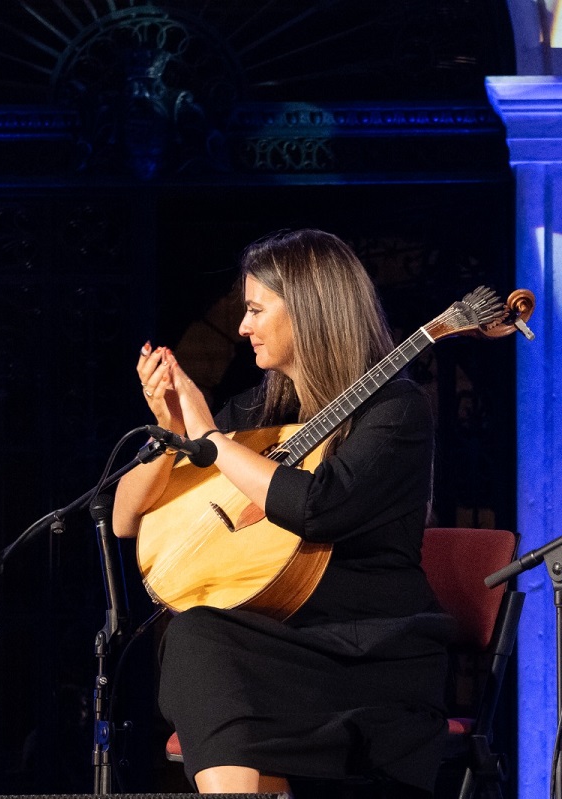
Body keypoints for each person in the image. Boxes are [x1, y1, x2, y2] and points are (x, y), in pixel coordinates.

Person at [112, 229, 453, 797]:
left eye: (254, 309)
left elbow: (317, 507)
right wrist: (173, 429)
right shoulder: (263, 409)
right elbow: (126, 517)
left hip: (370, 660)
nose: (242, 326)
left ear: (310, 311)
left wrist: (212, 437)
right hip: (276, 644)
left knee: (207, 651)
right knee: (194, 633)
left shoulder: (396, 410)